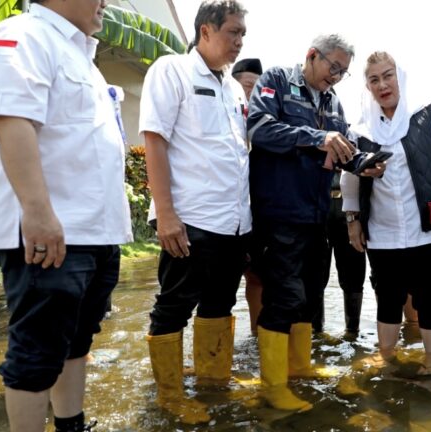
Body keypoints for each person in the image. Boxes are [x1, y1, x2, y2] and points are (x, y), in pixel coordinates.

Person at [0, 0, 133, 430]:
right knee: (35, 353)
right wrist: (38, 211)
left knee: (76, 341)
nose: (107, 3)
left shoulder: (84, 57)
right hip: (51, 230)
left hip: (96, 232)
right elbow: (12, 121)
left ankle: (71, 425)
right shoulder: (23, 36)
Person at [247, 34, 381, 412]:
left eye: (343, 72)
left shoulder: (332, 102)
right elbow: (258, 128)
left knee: (308, 293)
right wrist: (316, 136)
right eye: (332, 68)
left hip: (315, 215)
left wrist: (364, 163)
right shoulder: (274, 80)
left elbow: (342, 151)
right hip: (278, 212)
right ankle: (272, 386)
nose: (336, 77)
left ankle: (300, 368)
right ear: (311, 56)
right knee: (282, 295)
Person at [139, 0, 251, 424]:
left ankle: (211, 383)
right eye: (233, 32)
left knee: (221, 304)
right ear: (206, 30)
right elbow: (155, 140)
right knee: (173, 305)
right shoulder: (172, 71)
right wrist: (165, 215)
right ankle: (169, 396)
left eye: (243, 34)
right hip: (192, 219)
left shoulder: (233, 87)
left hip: (234, 221)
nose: (239, 41)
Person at [341, 51, 431, 376]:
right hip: (382, 229)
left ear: (400, 77)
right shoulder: (361, 129)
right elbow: (349, 177)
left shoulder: (428, 113)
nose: (383, 84)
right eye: (374, 79)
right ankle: (387, 362)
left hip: (426, 224)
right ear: (367, 86)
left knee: (429, 294)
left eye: (388, 75)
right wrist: (353, 219)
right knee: (387, 295)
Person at [231, 57, 264, 336]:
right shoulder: (227, 112)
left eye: (257, 87)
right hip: (226, 211)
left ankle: (257, 335)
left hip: (258, 211)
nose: (251, 93)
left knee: (258, 276)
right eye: (247, 85)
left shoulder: (267, 118)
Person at [313, 170, 366, 336]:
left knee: (354, 273)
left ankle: (352, 331)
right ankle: (316, 332)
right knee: (315, 274)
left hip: (351, 208)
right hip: (317, 206)